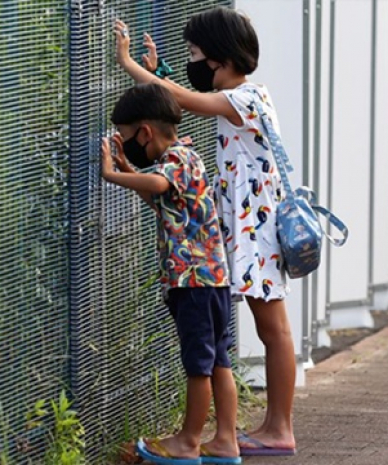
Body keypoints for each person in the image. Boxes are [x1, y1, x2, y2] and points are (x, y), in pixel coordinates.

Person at [114, 7, 298, 457]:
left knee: (272, 328)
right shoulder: (244, 97)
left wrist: (129, 64)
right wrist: (157, 76)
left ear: (219, 58)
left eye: (195, 53)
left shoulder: (245, 99)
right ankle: (263, 427)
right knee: (267, 327)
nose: (193, 62)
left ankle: (279, 427)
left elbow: (181, 99)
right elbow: (176, 102)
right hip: (250, 224)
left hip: (256, 228)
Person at [101, 83, 241, 465]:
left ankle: (188, 440)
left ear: (145, 132)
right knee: (218, 361)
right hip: (214, 280)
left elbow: (160, 183)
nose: (128, 144)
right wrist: (130, 170)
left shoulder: (175, 161)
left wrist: (113, 175)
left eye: (129, 138)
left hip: (192, 281)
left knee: (198, 365)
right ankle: (226, 440)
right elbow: (164, 201)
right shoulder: (188, 156)